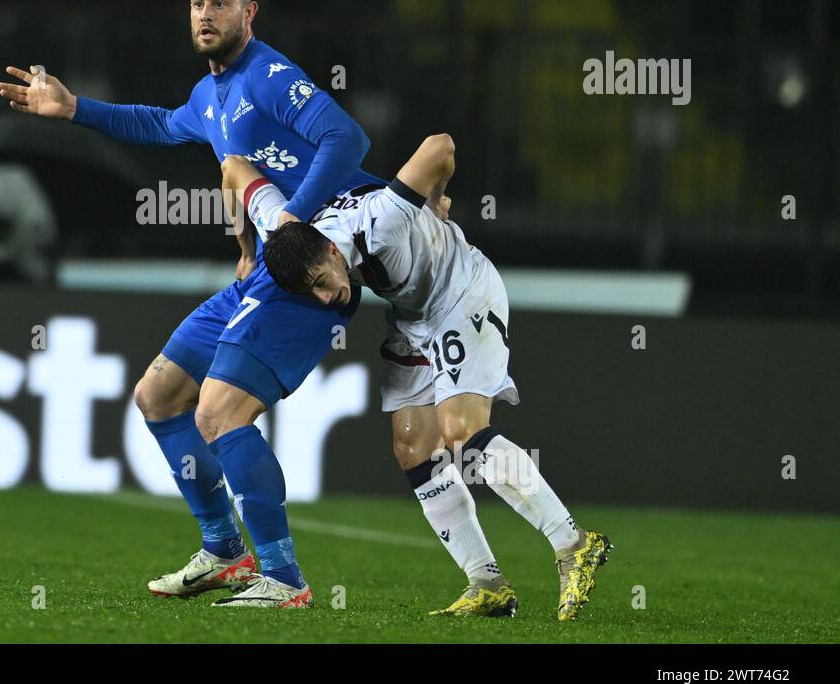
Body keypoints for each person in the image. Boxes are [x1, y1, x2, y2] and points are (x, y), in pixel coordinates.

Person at [0, 0, 383, 608]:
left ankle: (285, 580)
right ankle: (225, 550)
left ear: (248, 12)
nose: (206, 15)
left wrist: (291, 221)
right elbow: (158, 124)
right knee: (160, 395)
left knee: (218, 410)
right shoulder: (210, 96)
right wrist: (73, 109)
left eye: (221, 3)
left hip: (304, 273)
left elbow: (348, 137)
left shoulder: (267, 74)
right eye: (198, 3)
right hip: (261, 272)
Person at [223, 136, 612, 620]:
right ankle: (486, 583)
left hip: (461, 291)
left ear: (330, 248)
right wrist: (243, 246)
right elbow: (236, 166)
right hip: (413, 315)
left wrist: (435, 195)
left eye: (323, 281)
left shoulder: (381, 221)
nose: (327, 298)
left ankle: (573, 543)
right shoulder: (285, 230)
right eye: (312, 293)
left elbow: (441, 145)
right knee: (412, 445)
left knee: (461, 431)